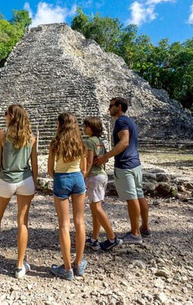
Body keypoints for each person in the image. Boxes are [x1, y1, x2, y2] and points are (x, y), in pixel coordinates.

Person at [0, 104, 38, 279]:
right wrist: (35, 183)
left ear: (11, 116)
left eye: (6, 113)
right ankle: (19, 265)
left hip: (6, 180)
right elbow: (35, 164)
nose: (4, 116)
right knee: (23, 222)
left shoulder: (2, 134)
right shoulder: (31, 137)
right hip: (26, 180)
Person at [95, 97, 150, 244]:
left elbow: (124, 142)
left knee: (132, 198)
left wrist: (106, 156)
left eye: (111, 105)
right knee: (139, 195)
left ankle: (135, 234)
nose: (109, 109)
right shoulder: (130, 121)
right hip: (135, 164)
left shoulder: (121, 121)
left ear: (119, 106)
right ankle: (144, 227)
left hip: (125, 165)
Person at [48, 112, 87, 281]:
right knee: (80, 221)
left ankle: (67, 268)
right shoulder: (80, 142)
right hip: (78, 178)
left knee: (64, 224)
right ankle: (78, 263)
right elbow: (84, 169)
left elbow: (50, 170)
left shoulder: (55, 143)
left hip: (61, 178)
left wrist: (59, 176)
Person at [83, 117, 123, 250]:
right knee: (95, 209)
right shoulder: (100, 142)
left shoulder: (89, 142)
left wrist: (82, 176)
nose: (84, 128)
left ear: (92, 128)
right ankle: (94, 239)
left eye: (86, 126)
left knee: (97, 208)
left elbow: (88, 162)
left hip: (93, 176)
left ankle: (112, 238)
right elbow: (104, 159)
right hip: (101, 175)